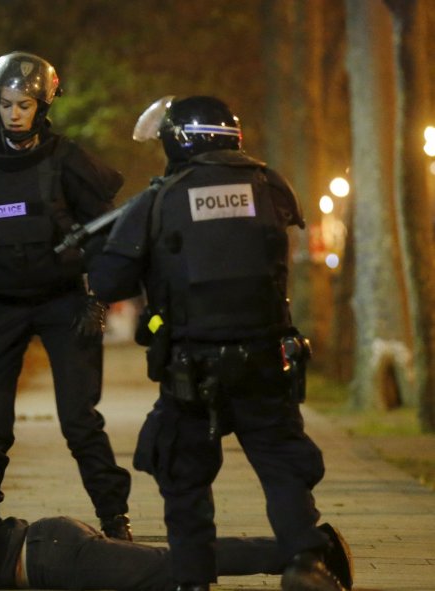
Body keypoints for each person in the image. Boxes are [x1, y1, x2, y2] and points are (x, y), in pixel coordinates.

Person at [85, 96, 352, 591]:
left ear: (174, 141)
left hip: (192, 366)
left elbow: (108, 280)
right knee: (282, 465)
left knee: (183, 474)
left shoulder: (161, 198)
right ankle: (306, 563)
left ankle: (193, 580)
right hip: (267, 360)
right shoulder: (272, 186)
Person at [0, 51, 132, 539]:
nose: (15, 113)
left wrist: (97, 297)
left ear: (43, 106)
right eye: (7, 103)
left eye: (25, 104)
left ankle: (113, 518)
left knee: (80, 421)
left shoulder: (67, 160)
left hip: (63, 302)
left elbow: (107, 234)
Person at [0, 474, 353, 591]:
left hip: (52, 555)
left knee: (176, 565)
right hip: (48, 555)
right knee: (170, 568)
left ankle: (305, 547)